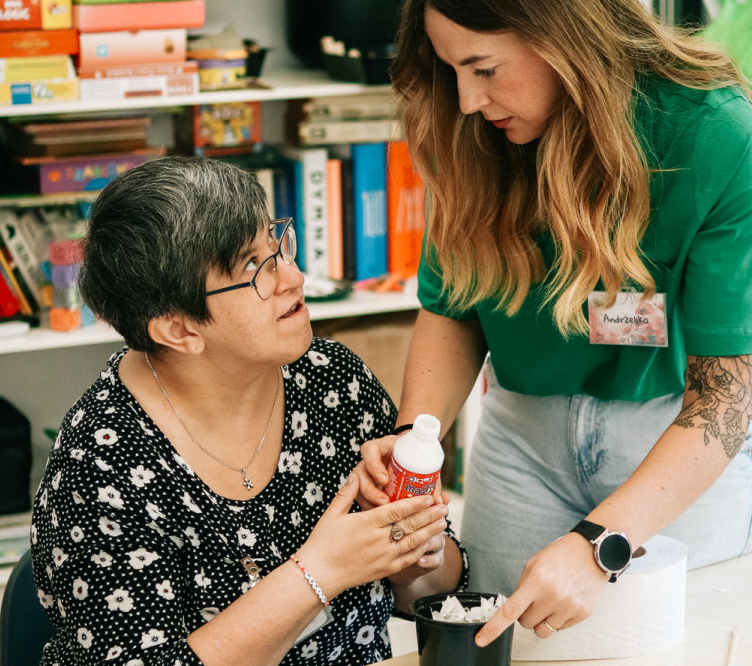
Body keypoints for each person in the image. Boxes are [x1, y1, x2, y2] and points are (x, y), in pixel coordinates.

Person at [357, 0, 752, 648]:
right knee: (507, 646)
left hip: (672, 440)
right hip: (521, 433)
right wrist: (415, 440)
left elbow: (726, 397)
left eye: (483, 68)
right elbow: (454, 306)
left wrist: (602, 543)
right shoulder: (472, 135)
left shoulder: (710, 129)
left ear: (561, 35)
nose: (466, 99)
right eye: (453, 70)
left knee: (683, 650)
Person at [31, 157, 465, 666]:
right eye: (254, 270)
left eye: (278, 246)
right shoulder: (99, 467)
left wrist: (415, 548)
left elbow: (437, 593)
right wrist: (319, 572)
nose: (296, 278)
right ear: (179, 330)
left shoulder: (332, 380)